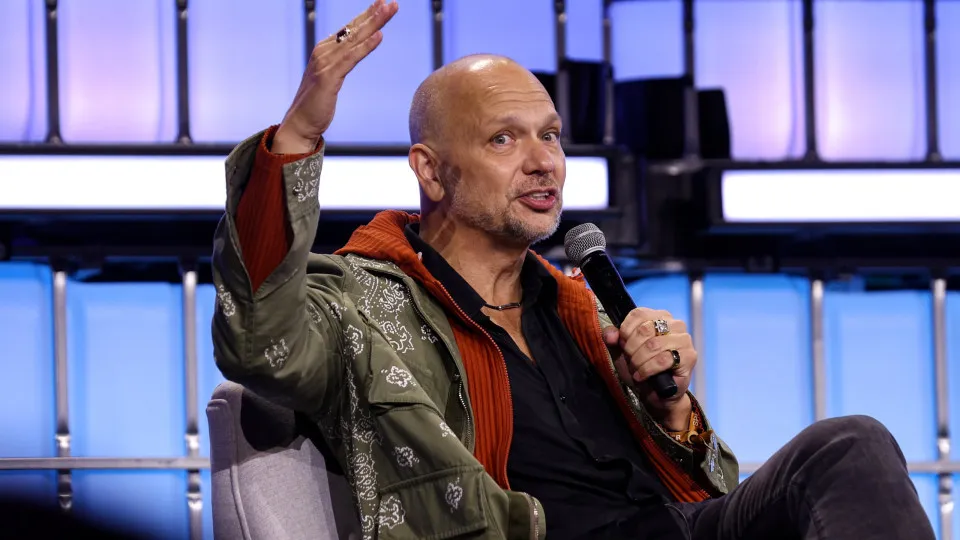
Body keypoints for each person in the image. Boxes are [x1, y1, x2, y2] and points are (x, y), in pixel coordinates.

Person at [211, 1, 936, 538]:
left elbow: (710, 488)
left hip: (675, 529)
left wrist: (672, 413)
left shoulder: (582, 309)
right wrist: (299, 134)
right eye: (504, 139)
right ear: (430, 170)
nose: (543, 162)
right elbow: (260, 340)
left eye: (551, 136)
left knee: (850, 444)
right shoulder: (360, 306)